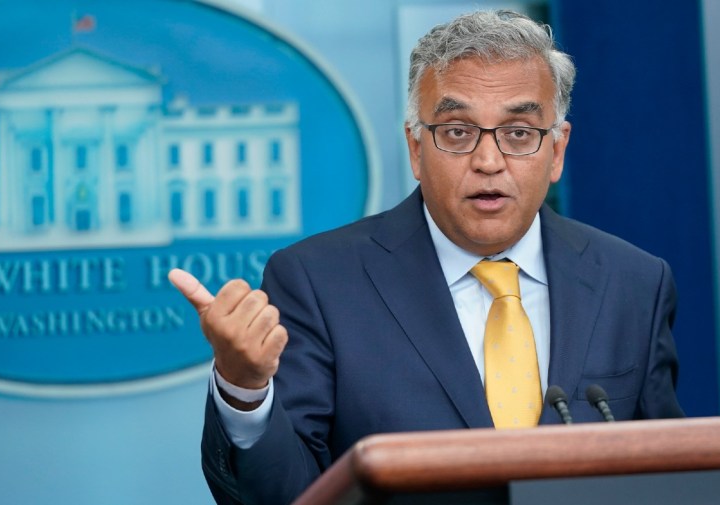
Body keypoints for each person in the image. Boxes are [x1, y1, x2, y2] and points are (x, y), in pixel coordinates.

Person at [169, 9, 684, 505]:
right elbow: (287, 495)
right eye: (457, 132)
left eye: (519, 134)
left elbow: (671, 478)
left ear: (557, 151)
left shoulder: (632, 282)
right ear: (416, 149)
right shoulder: (317, 283)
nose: (488, 161)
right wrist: (244, 388)